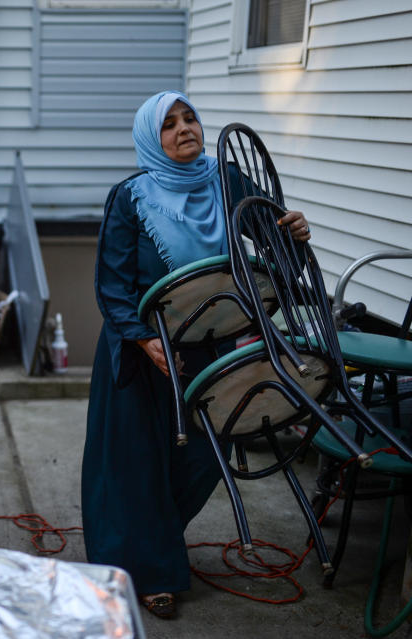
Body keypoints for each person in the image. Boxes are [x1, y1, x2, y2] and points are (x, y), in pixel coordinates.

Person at [80, 90, 311, 619]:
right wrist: (142, 338)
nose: (184, 128)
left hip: (213, 343)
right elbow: (113, 283)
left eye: (190, 118)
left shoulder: (228, 182)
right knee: (134, 462)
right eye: (169, 124)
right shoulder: (131, 197)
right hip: (144, 346)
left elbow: (276, 252)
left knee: (206, 453)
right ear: (150, 138)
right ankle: (148, 571)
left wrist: (296, 234)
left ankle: (154, 540)